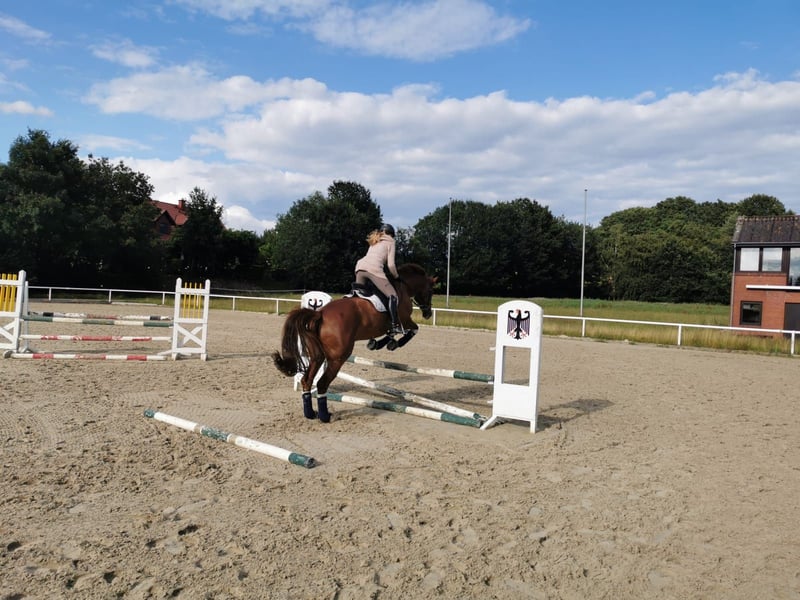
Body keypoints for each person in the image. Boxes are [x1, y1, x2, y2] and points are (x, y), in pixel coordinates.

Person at [355, 223, 404, 334]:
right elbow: (391, 265)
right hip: (374, 270)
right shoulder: (391, 241)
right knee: (393, 296)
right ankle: (394, 325)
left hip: (359, 268)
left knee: (360, 296)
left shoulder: (375, 239)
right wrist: (396, 276)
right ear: (391, 234)